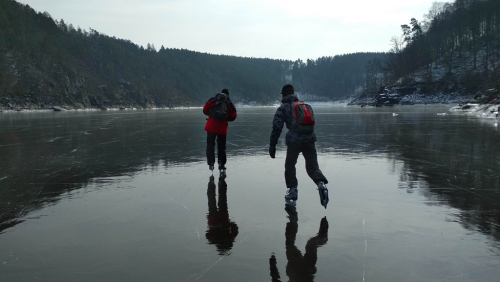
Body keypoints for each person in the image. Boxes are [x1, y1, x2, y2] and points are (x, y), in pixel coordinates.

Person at [269, 84, 329, 208]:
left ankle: (292, 191)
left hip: (294, 142)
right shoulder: (303, 105)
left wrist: (272, 145)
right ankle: (321, 184)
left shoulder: (283, 108)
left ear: (284, 94)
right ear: (293, 93)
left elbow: (277, 128)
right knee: (313, 167)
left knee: (290, 165)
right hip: (309, 140)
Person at [269, 206, 329, 282]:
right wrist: (272, 264)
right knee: (310, 245)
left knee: (295, 245)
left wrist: (272, 264)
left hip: (295, 267)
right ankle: (322, 237)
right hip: (306, 269)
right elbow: (275, 279)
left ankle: (293, 220)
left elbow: (275, 279)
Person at [203, 89, 237, 172]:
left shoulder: (214, 99)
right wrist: (225, 118)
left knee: (210, 145)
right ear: (228, 94)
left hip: (211, 125)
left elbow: (205, 109)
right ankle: (221, 165)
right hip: (222, 127)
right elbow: (234, 115)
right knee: (221, 147)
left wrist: (211, 115)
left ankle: (211, 163)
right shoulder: (229, 102)